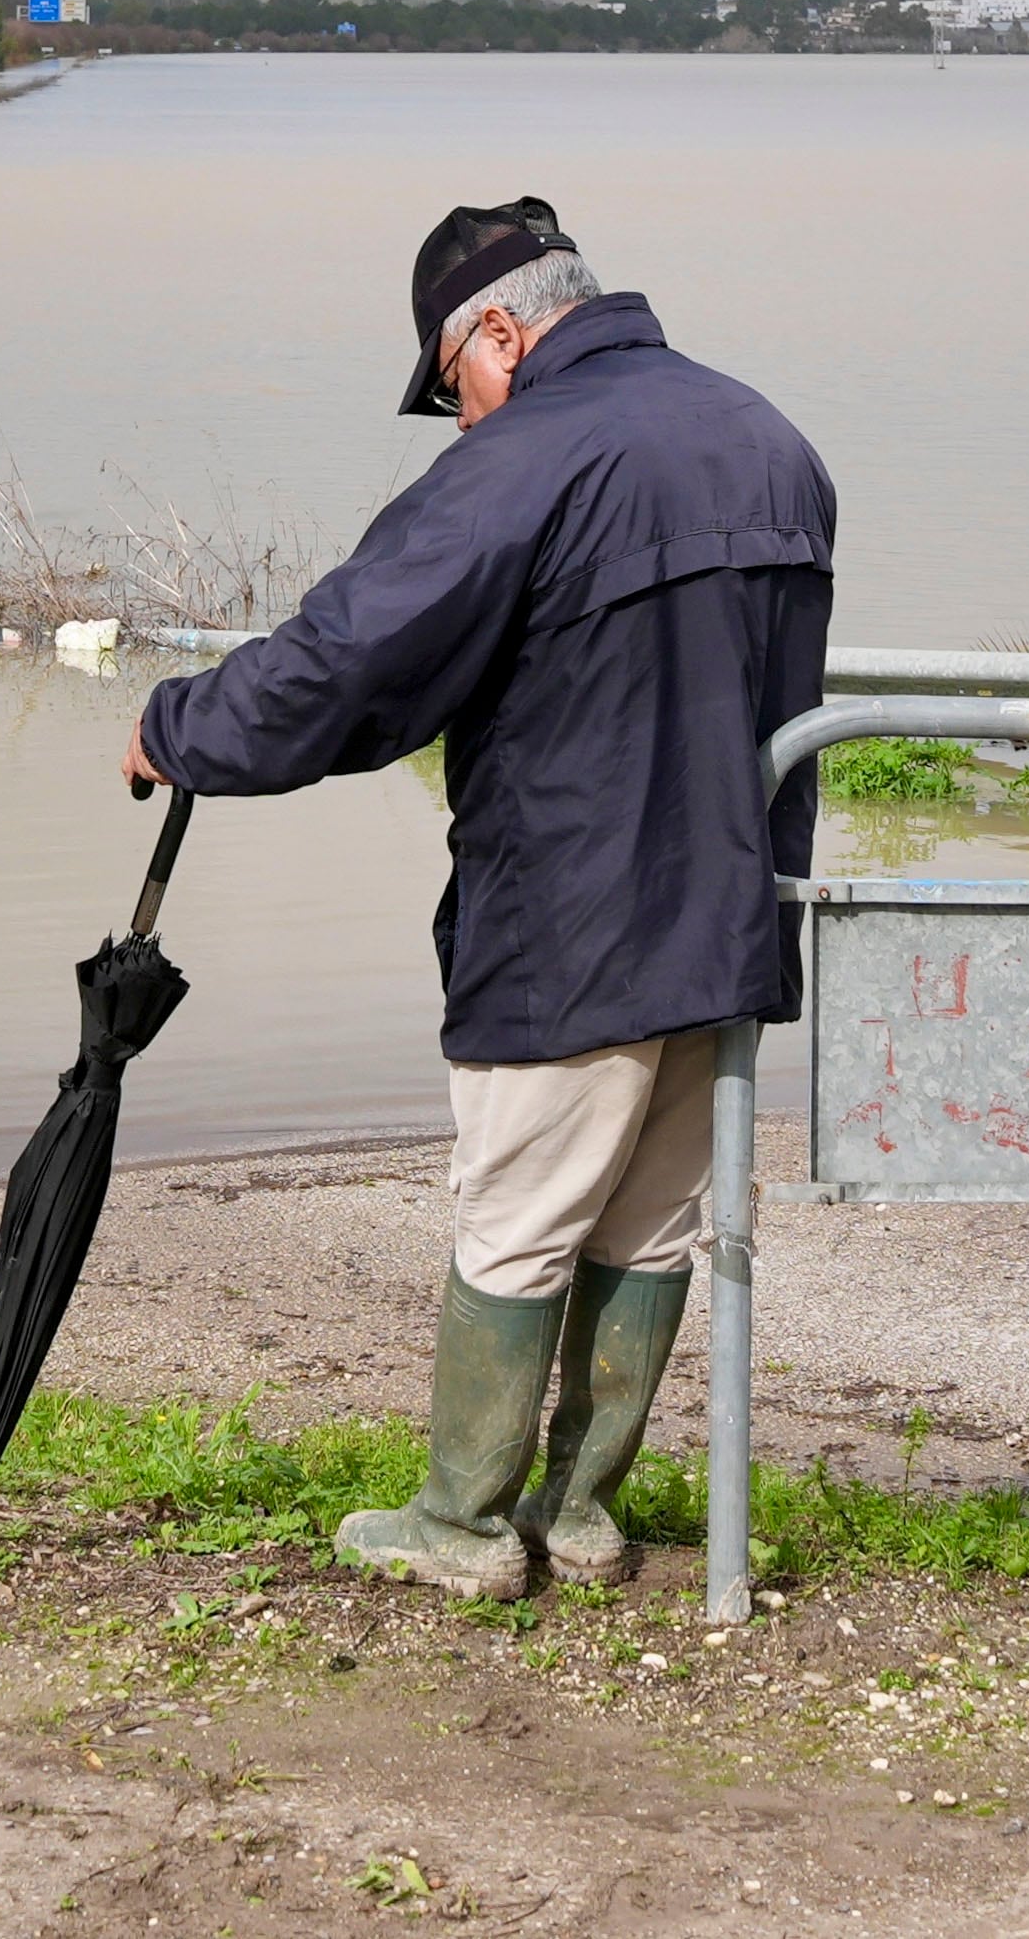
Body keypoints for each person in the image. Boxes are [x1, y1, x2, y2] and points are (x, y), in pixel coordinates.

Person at [119, 199, 835, 1597]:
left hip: (570, 912)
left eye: (454, 385)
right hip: (735, 907)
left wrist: (179, 721)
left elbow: (352, 658)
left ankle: (459, 1526)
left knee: (517, 1216)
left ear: (499, 329)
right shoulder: (767, 435)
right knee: (653, 1217)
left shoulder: (526, 458)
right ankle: (575, 1513)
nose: (460, 419)